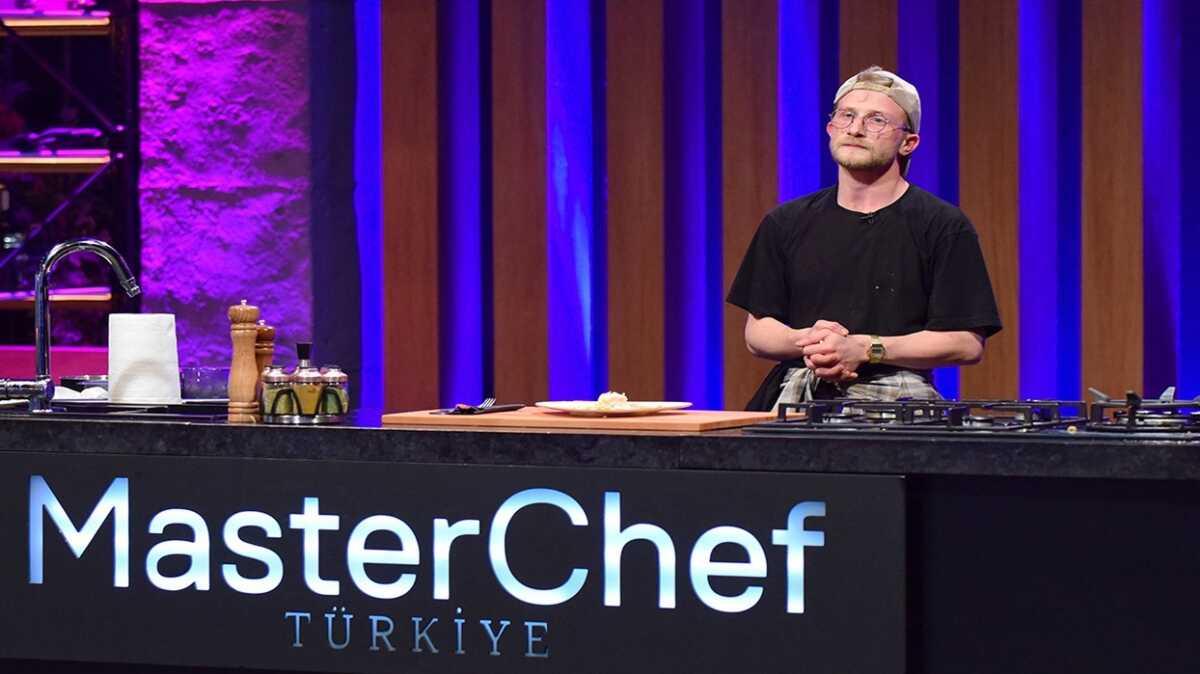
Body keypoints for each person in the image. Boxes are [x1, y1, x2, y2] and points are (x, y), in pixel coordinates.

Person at [726, 66, 1002, 410]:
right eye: (847, 116)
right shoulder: (786, 222)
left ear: (908, 143)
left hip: (897, 407)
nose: (856, 129)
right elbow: (757, 333)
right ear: (830, 129)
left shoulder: (942, 225)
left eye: (876, 120)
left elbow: (966, 343)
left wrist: (866, 348)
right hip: (796, 401)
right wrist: (812, 341)